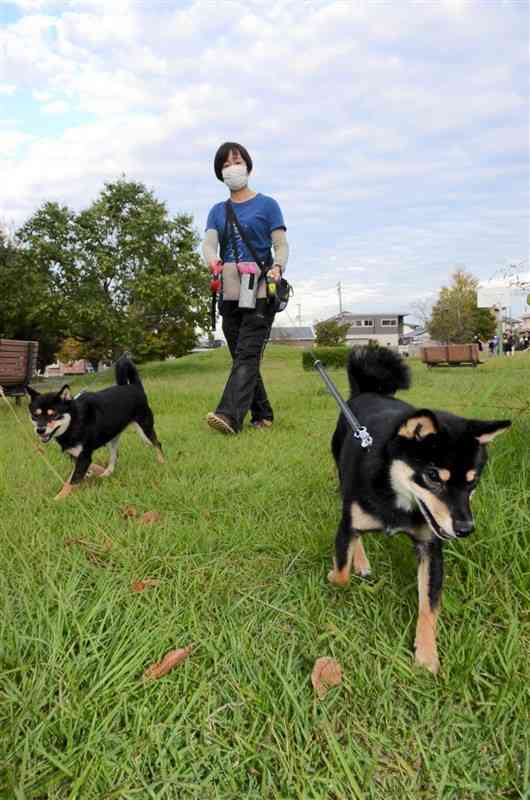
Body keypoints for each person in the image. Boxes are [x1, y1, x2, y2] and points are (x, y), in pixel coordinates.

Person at [202, 142, 289, 434]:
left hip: (262, 286)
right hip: (230, 289)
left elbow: (280, 243)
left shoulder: (268, 205)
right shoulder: (217, 211)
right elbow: (210, 243)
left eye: (236, 161)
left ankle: (228, 415)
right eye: (225, 165)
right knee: (241, 353)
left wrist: (279, 266)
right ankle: (262, 414)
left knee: (248, 352)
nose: (232, 168)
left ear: (248, 166)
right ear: (220, 173)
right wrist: (212, 261)